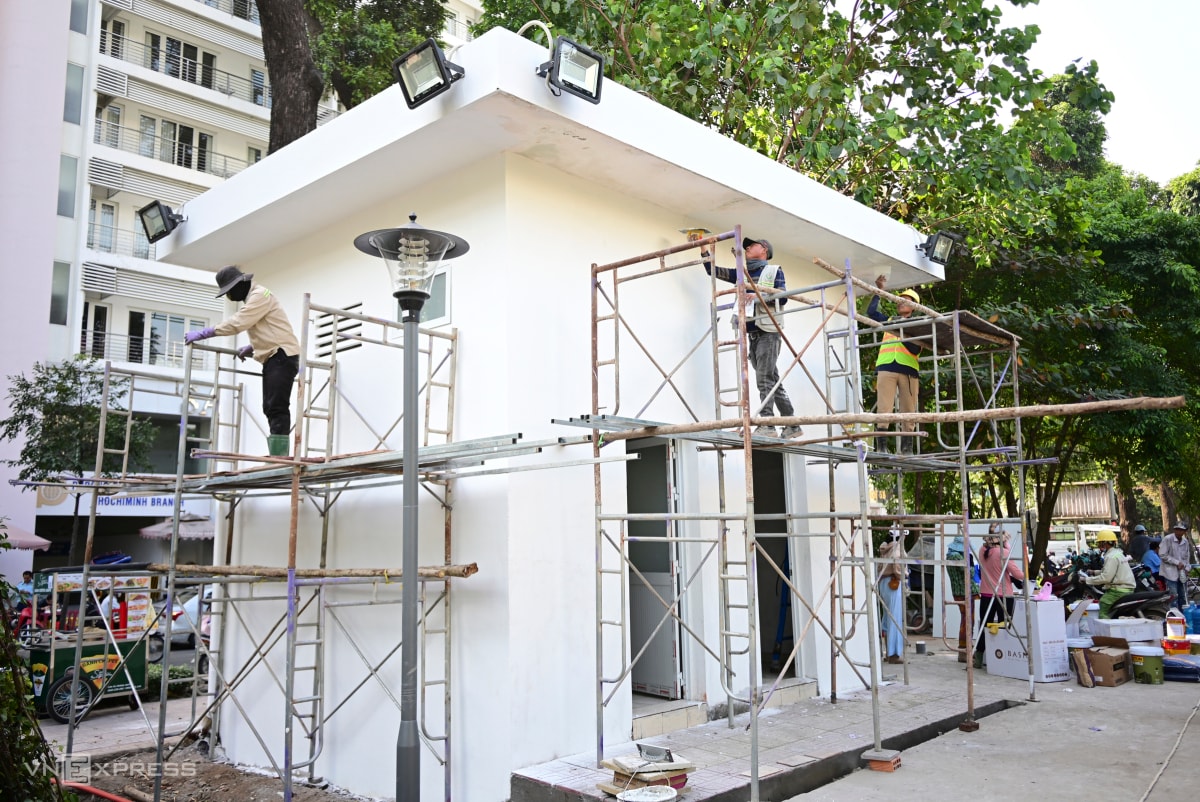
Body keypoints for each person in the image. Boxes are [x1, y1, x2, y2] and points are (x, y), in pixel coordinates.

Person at [185, 266, 301, 456]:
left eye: (229, 291)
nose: (229, 296)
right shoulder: (256, 296)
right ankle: (278, 455)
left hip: (281, 354)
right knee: (270, 406)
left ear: (240, 285)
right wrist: (253, 346)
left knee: (276, 406)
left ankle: (280, 456)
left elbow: (239, 322)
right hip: (275, 355)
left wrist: (206, 333)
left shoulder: (260, 295)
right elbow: (270, 326)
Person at [700, 237, 801, 439]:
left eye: (751, 245)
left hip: (768, 332)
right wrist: (703, 247)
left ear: (764, 249)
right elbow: (713, 271)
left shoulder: (773, 271)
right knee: (771, 379)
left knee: (764, 379)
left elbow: (782, 297)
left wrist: (758, 295)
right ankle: (792, 424)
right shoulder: (742, 273)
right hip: (752, 335)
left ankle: (768, 424)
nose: (746, 248)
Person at [866, 275, 923, 453]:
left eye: (905, 300)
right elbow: (871, 313)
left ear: (914, 306)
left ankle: (907, 448)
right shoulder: (890, 320)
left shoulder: (920, 324)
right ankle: (881, 446)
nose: (900, 303)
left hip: (908, 371)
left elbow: (915, 348)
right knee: (884, 407)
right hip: (886, 368)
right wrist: (879, 291)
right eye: (899, 300)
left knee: (908, 409)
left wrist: (901, 330)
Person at [975, 524, 1025, 668]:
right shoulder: (1003, 553)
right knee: (1005, 626)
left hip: (986, 593)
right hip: (1004, 594)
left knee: (985, 626)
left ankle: (979, 658)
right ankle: (1003, 660)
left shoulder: (982, 550)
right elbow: (1018, 574)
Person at [1081, 529, 1136, 618]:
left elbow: (1106, 578)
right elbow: (1111, 571)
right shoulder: (1117, 553)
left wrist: (1086, 579)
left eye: (1100, 543)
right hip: (1126, 588)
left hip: (1118, 591)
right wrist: (1094, 572)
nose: (1098, 545)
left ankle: (1106, 626)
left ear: (1104, 543)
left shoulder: (1110, 557)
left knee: (1102, 606)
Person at [877, 527, 906, 664]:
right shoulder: (896, 548)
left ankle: (888, 652)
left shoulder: (885, 548)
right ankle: (894, 654)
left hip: (883, 583)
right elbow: (897, 564)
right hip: (893, 583)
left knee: (887, 617)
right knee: (895, 618)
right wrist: (903, 575)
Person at [1160, 521, 1195, 611]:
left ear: (1185, 531)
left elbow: (1186, 558)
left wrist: (1187, 568)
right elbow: (1162, 555)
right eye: (1177, 529)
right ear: (1174, 530)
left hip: (1182, 573)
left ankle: (1183, 615)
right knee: (1173, 596)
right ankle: (1173, 615)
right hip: (1170, 573)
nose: (1179, 532)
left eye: (1181, 530)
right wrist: (1176, 562)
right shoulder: (1167, 539)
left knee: (1183, 596)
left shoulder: (1185, 541)